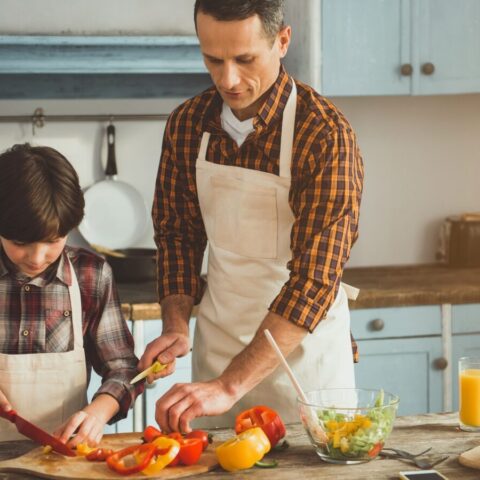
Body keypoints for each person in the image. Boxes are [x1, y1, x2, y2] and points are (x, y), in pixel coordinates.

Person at [139, 0, 364, 431]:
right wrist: (175, 324)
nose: (229, 79)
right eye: (213, 59)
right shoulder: (188, 124)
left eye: (245, 60)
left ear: (282, 42)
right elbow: (177, 237)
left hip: (306, 370)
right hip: (217, 353)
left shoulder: (324, 135)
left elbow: (313, 280)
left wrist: (229, 385)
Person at [0, 143, 144, 446]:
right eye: (19, 242)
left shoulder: (91, 275)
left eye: (53, 241)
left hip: (62, 461)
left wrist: (98, 413)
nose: (37, 258)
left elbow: (122, 368)